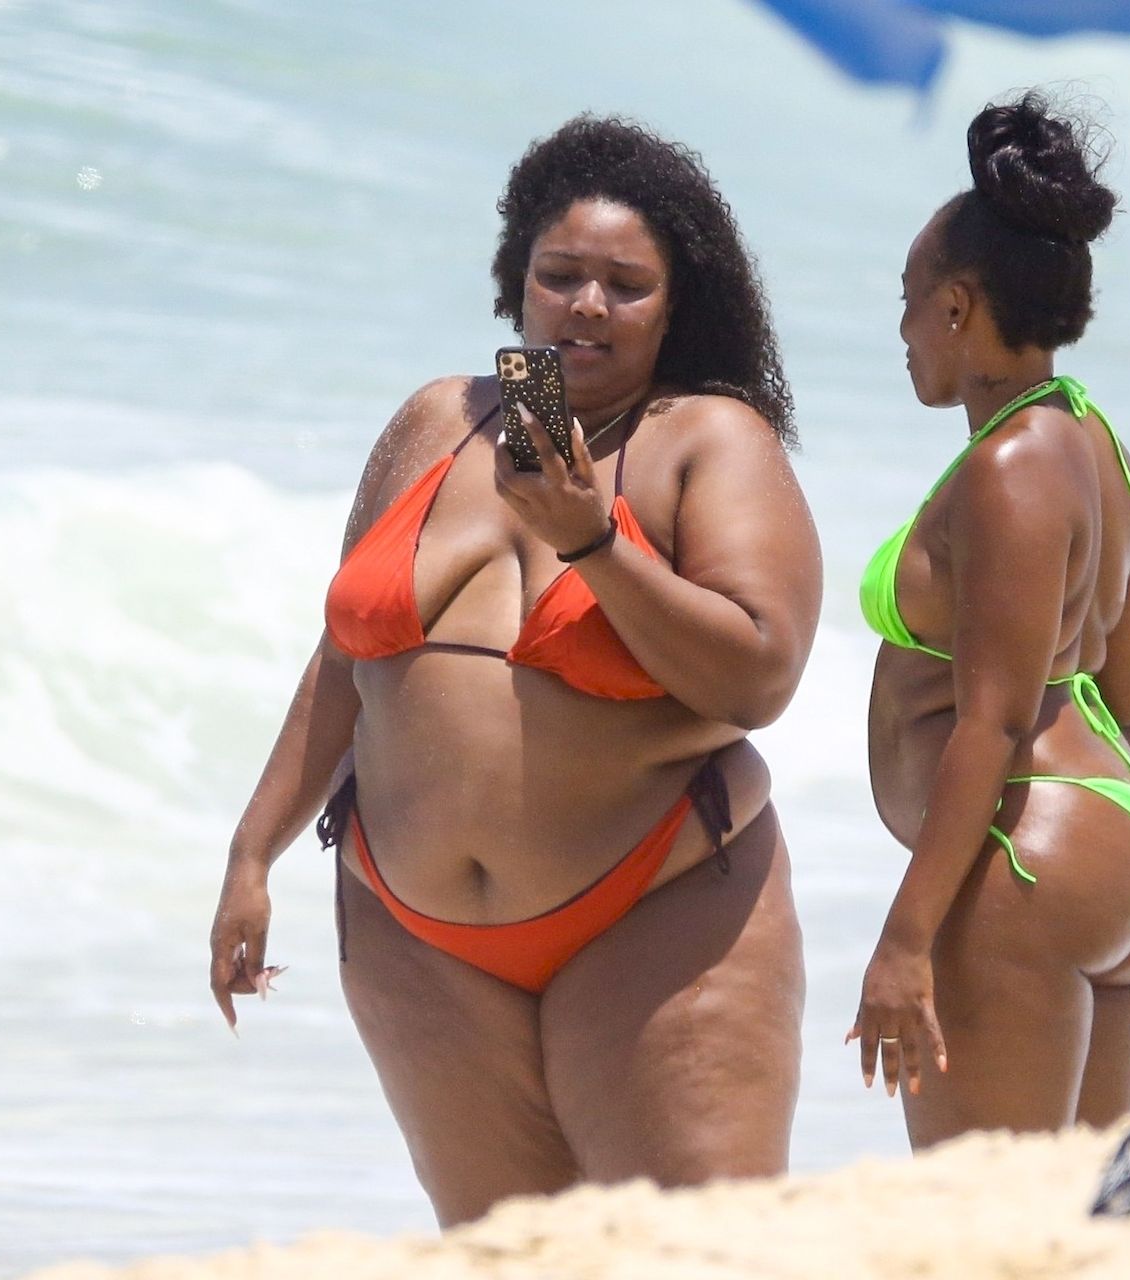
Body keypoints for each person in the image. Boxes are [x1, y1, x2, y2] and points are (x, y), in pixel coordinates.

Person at [210, 115, 821, 1223]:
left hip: (657, 910)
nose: (587, 304)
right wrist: (253, 848)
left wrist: (596, 541)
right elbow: (349, 654)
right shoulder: (440, 419)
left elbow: (761, 674)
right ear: (518, 283)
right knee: (507, 1253)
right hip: (417, 937)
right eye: (561, 276)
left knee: (700, 1247)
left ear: (678, 301)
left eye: (626, 284)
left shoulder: (709, 438)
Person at [850, 91, 1130, 1147]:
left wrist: (908, 936)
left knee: (986, 1231)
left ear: (955, 306)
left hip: (1027, 861)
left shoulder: (1009, 467)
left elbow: (991, 720)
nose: (900, 326)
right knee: (1078, 1224)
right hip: (1124, 841)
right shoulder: (1100, 448)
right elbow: (1125, 697)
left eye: (908, 299)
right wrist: (1104, 851)